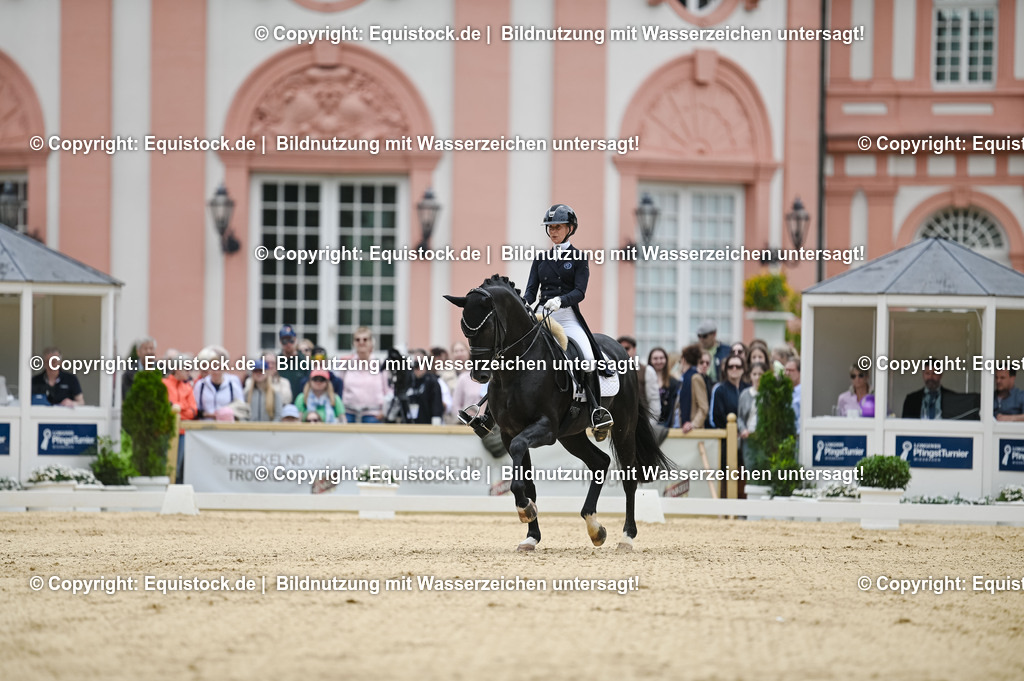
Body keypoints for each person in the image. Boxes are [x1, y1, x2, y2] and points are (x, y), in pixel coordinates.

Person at [524, 203, 613, 439]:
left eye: (558, 227)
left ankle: (596, 410)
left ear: (570, 228)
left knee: (588, 358)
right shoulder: (541, 258)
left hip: (567, 317)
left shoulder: (579, 258)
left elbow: (580, 291)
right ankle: (490, 410)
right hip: (542, 314)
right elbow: (531, 290)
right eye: (550, 227)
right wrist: (524, 302)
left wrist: (561, 300)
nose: (553, 231)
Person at [339, 327, 390, 423]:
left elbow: (388, 390)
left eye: (365, 339)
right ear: (353, 343)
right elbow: (340, 387)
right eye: (357, 340)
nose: (361, 342)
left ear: (371, 342)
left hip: (373, 414)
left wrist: (384, 411)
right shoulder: (346, 364)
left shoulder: (380, 365)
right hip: (349, 413)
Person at [163, 354, 197, 484]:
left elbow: (193, 412)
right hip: (166, 431)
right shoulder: (164, 384)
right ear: (177, 368)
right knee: (165, 464)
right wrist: (183, 407)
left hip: (183, 433)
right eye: (186, 368)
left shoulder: (188, 388)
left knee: (178, 467)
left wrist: (177, 407)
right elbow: (165, 408)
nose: (189, 372)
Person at [618, 335, 659, 423]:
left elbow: (653, 400)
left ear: (634, 349)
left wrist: (651, 424)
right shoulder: (612, 371)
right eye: (620, 349)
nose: (623, 351)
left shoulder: (647, 371)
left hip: (641, 422)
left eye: (627, 348)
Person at [193, 349, 243, 420]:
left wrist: (226, 412)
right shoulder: (200, 385)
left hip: (227, 424)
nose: (216, 372)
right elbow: (195, 407)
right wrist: (208, 415)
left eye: (219, 368)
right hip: (205, 424)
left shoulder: (232, 384)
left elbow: (240, 406)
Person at [669, 343, 708, 432]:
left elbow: (703, 407)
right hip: (678, 427)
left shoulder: (695, 377)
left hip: (690, 431)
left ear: (683, 360)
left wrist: (693, 424)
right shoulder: (683, 378)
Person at [737, 361, 768, 469]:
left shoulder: (768, 394)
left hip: (763, 438)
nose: (757, 377)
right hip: (748, 437)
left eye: (760, 374)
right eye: (754, 374)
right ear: (750, 376)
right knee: (750, 466)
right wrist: (743, 429)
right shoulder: (745, 394)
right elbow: (740, 417)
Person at [710, 354, 750, 429]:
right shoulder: (720, 390)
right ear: (726, 369)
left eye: (738, 366)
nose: (734, 369)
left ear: (743, 369)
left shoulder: (748, 389)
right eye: (730, 366)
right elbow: (717, 417)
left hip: (748, 432)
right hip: (727, 432)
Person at [406, 348, 444, 425]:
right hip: (409, 425)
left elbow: (436, 407)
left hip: (426, 424)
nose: (418, 366)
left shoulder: (432, 382)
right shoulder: (408, 381)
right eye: (415, 363)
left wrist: (436, 427)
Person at [647, 346, 678, 425]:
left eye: (661, 358)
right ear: (650, 360)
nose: (659, 361)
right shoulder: (645, 381)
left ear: (666, 360)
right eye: (655, 358)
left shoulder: (674, 382)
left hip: (667, 424)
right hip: (649, 422)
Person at [696, 320, 732, 385]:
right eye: (699, 336)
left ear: (714, 334)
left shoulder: (726, 351)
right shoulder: (695, 351)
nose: (701, 339)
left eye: (704, 336)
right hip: (700, 385)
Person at [276, 325, 305, 400]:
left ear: (295, 340)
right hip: (282, 402)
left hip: (300, 402)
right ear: (280, 342)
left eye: (291, 340)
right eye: (284, 341)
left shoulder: (304, 361)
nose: (288, 344)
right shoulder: (276, 362)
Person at [785, 358, 802, 432]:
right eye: (786, 370)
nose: (787, 373)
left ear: (799, 372)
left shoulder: (803, 392)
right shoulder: (783, 391)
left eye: (791, 370)